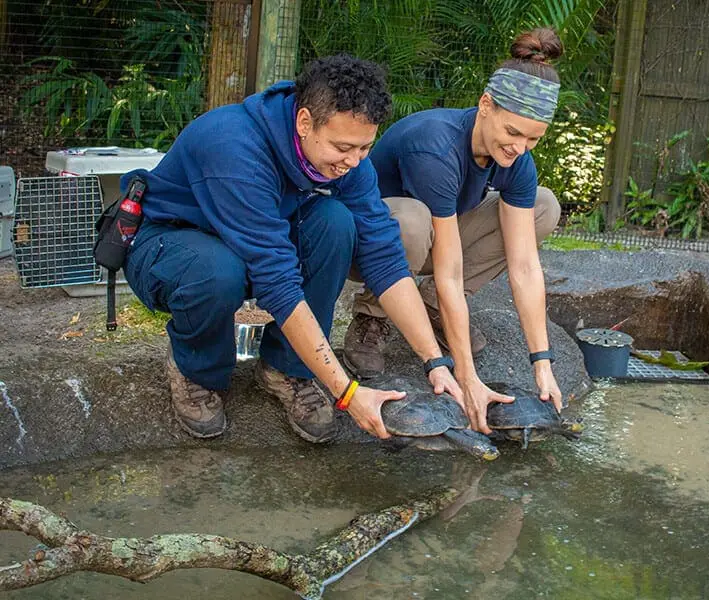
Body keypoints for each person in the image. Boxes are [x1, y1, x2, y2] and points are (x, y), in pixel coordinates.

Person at [122, 55, 461, 443]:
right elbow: (277, 283)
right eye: (343, 147)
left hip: (247, 243)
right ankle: (196, 369)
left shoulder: (349, 161)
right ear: (304, 123)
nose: (354, 161)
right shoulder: (233, 146)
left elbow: (385, 260)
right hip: (170, 244)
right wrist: (346, 392)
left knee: (335, 222)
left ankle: (288, 368)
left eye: (365, 147)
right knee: (218, 272)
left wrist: (436, 363)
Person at [343, 28, 565, 434]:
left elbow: (525, 266)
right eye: (513, 132)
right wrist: (467, 377)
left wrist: (542, 362)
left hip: (434, 236)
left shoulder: (517, 160)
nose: (520, 147)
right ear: (485, 105)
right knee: (411, 220)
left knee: (543, 207)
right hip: (364, 243)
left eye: (533, 138)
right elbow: (448, 270)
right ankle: (372, 314)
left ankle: (429, 306)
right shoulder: (435, 149)